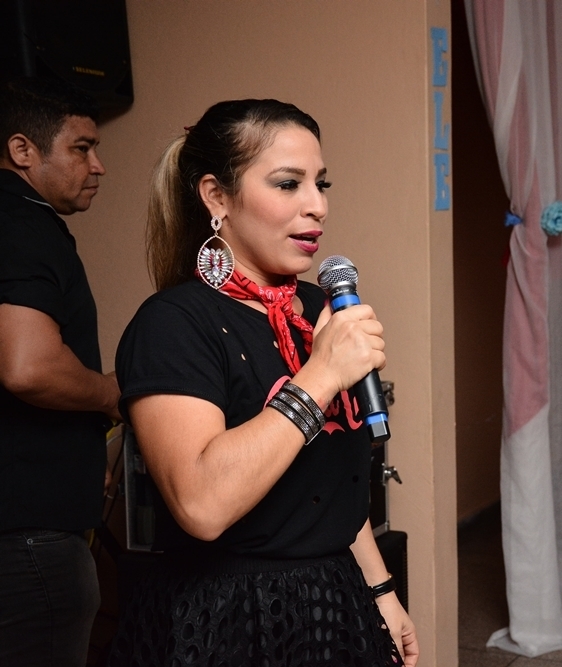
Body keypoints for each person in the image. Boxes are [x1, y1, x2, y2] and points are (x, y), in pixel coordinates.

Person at [107, 99, 418, 666]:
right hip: (226, 615)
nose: (318, 205)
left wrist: (382, 591)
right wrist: (321, 375)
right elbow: (201, 505)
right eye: (288, 184)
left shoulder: (318, 309)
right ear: (216, 197)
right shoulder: (173, 324)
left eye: (321, 184)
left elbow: (329, 489)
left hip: (336, 600)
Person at [0, 77, 121, 665]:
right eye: (81, 148)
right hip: (29, 541)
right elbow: (28, 368)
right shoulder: (24, 224)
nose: (97, 166)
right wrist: (109, 394)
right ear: (23, 150)